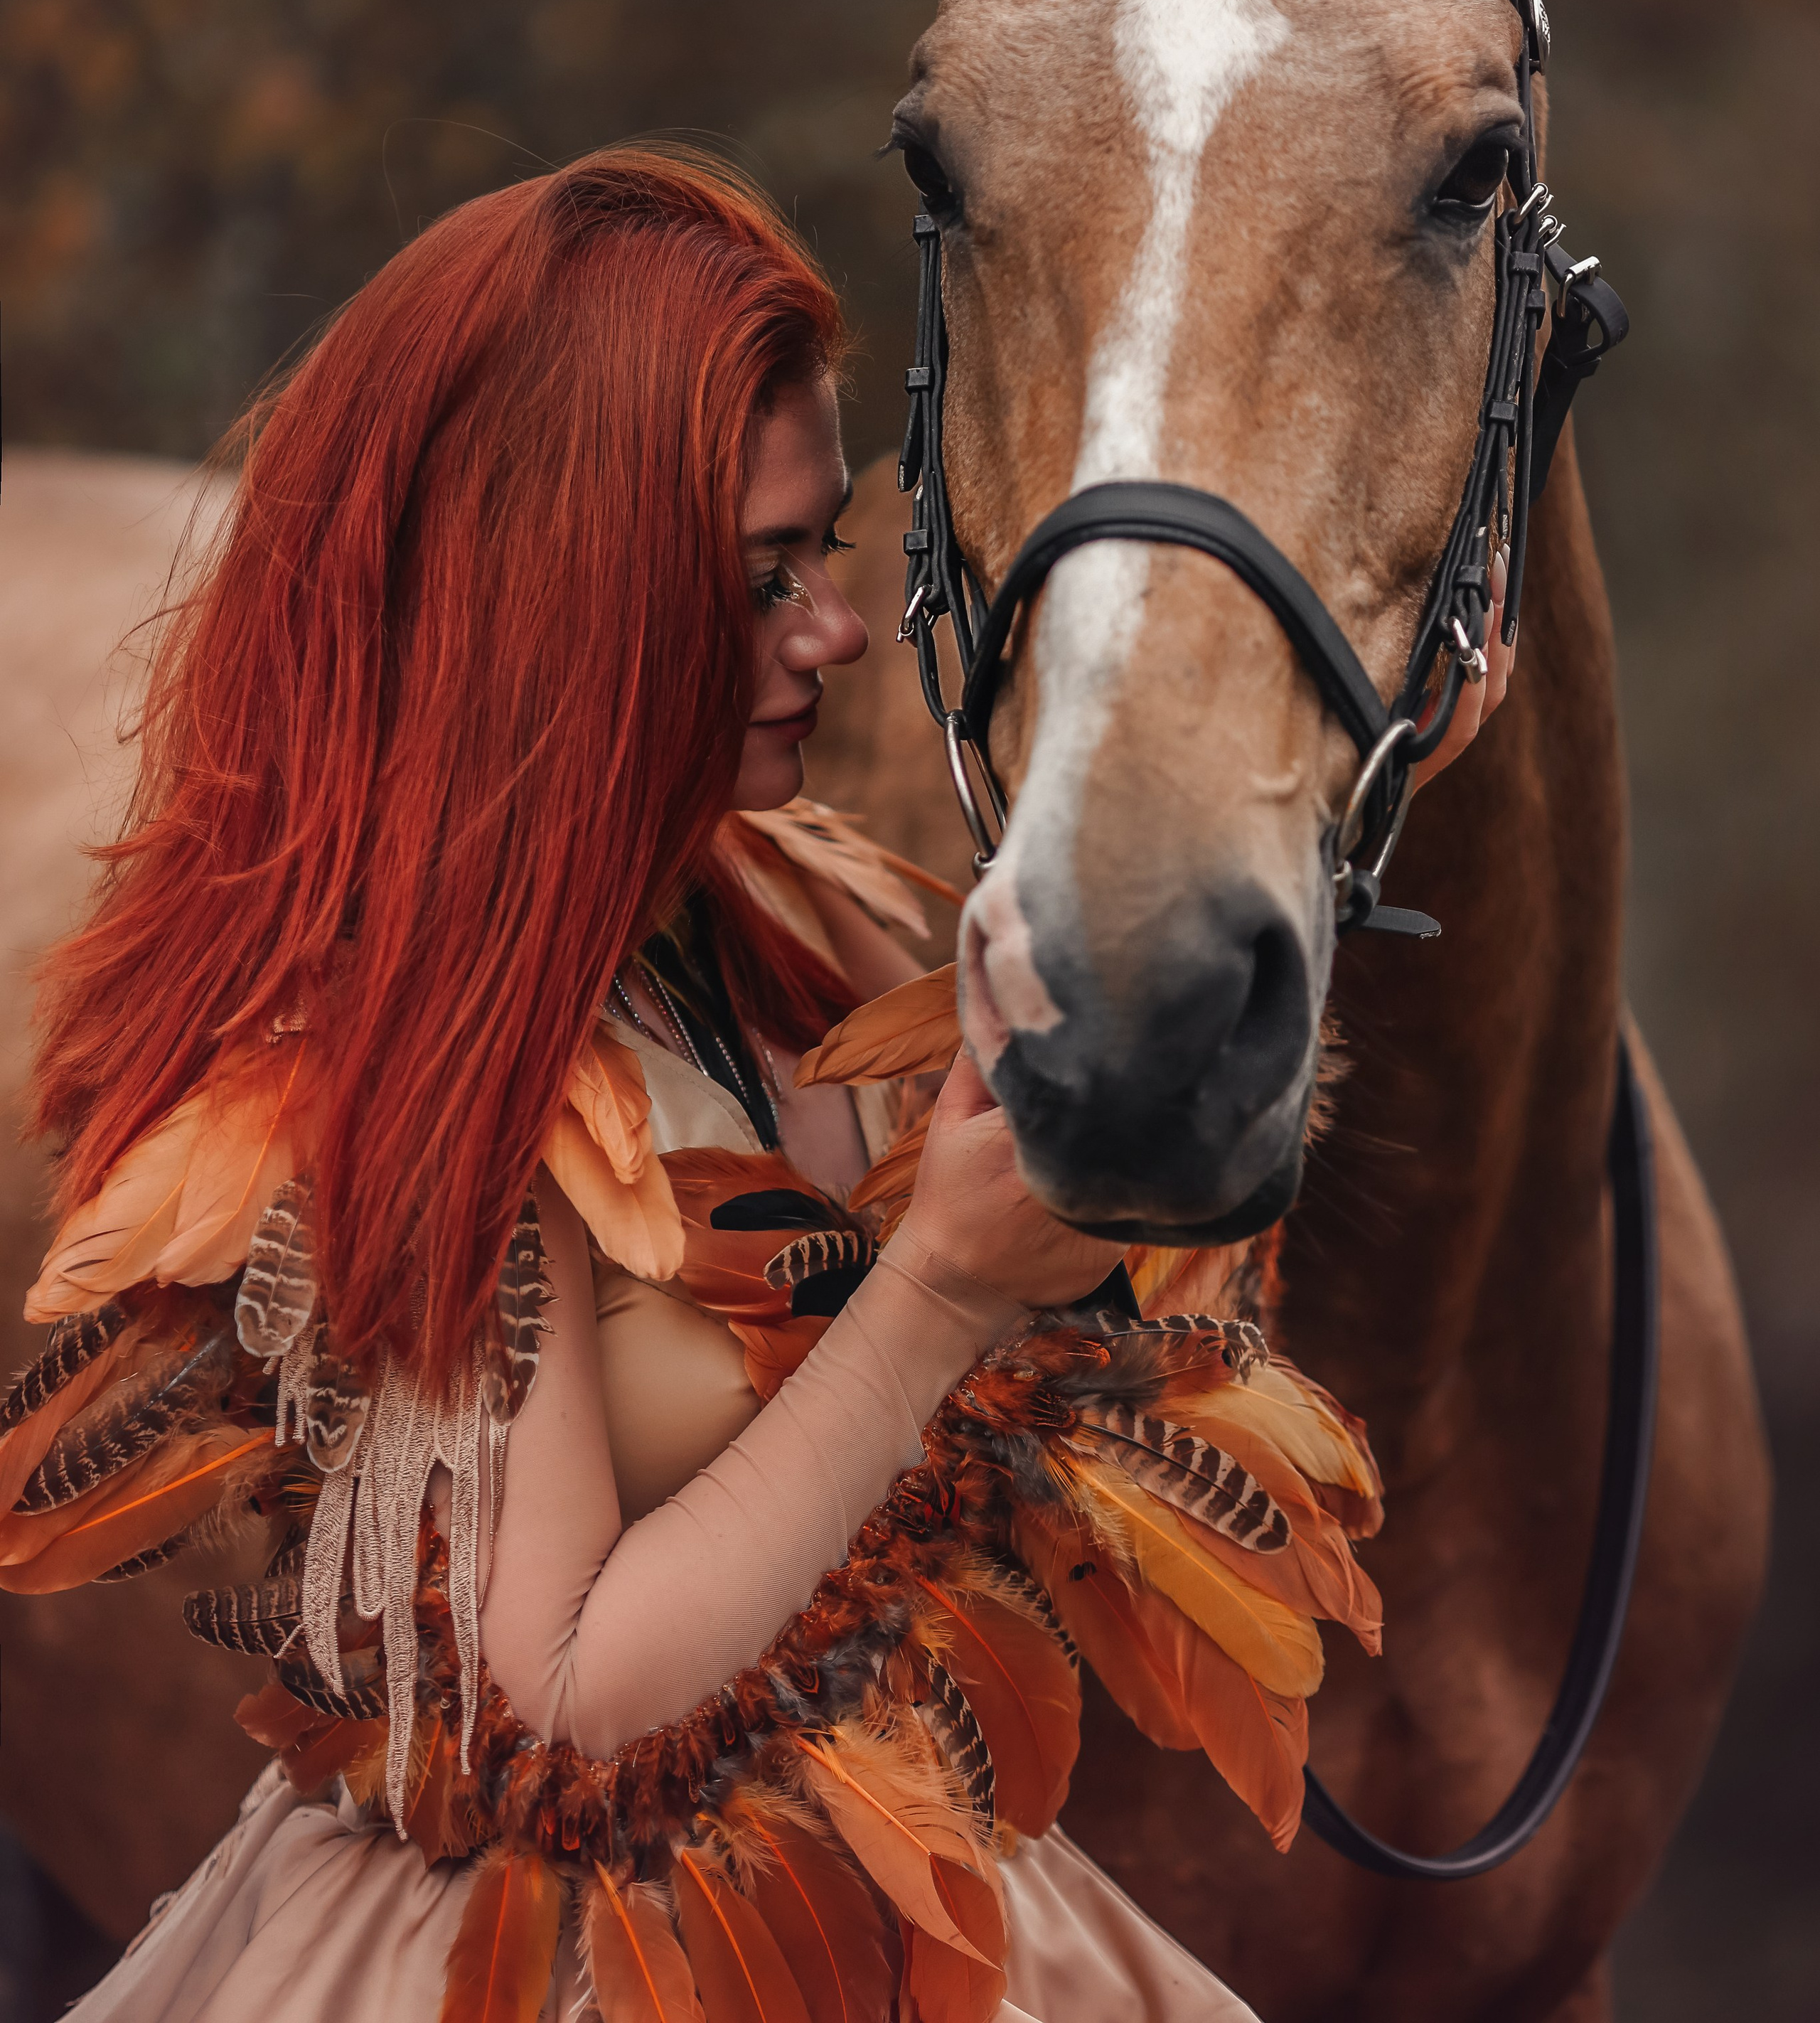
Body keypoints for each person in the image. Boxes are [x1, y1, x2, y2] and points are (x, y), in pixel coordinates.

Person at [1, 149, 1468, 2021]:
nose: (834, 636)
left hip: (894, 1897)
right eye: (764, 576)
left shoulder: (789, 916)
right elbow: (561, 1707)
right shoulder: (414, 1072)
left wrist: (1376, 771)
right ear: (574, 596)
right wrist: (934, 1289)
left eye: (826, 568)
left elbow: (1064, 1317)